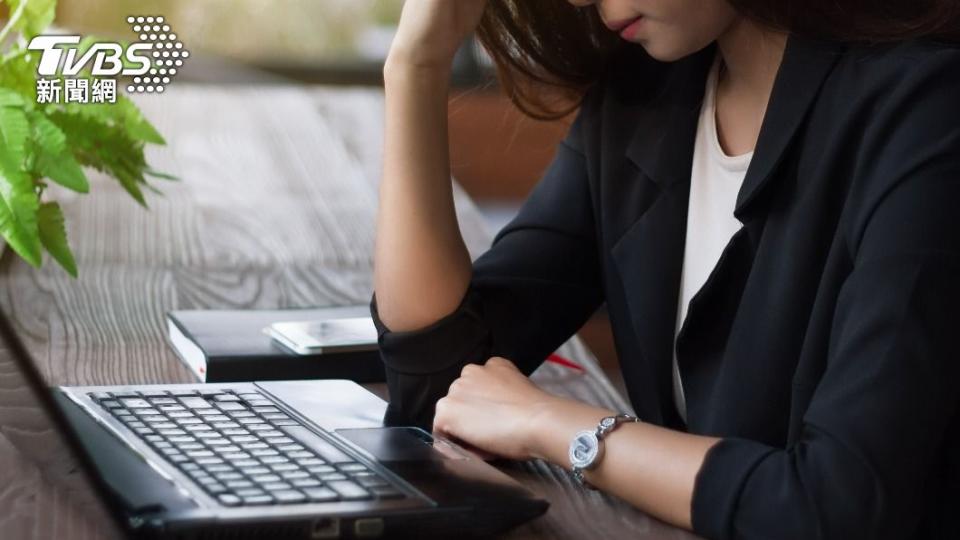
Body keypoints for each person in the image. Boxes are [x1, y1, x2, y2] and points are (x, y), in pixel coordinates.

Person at [370, 1, 960, 538]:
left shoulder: (925, 112)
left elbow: (836, 507)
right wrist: (415, 68)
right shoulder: (645, 94)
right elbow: (440, 385)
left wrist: (556, 424)